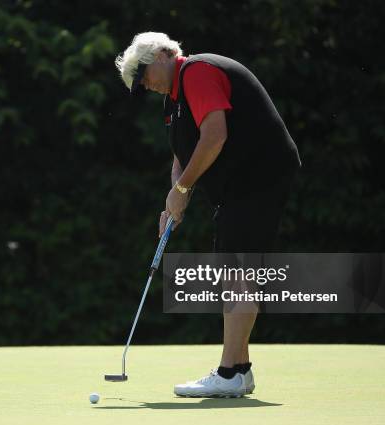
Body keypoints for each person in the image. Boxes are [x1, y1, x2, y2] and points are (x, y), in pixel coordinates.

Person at [115, 32, 302, 398]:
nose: (145, 84)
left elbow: (214, 136)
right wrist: (173, 201)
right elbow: (182, 153)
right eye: (138, 83)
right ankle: (240, 370)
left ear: (166, 54)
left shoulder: (197, 72)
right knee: (233, 266)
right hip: (240, 184)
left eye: (144, 74)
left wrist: (183, 191)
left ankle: (229, 372)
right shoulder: (174, 99)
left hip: (259, 175)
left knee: (237, 268)